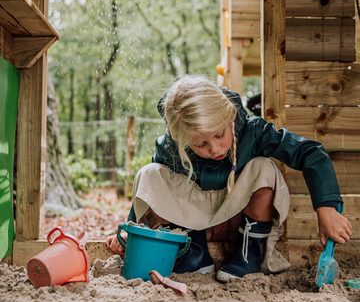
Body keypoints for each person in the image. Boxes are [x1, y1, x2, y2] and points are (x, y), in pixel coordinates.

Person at [106, 74, 352, 282]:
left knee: (264, 167)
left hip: (235, 210)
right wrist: (133, 228)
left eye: (219, 135)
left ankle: (249, 255)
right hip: (193, 216)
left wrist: (326, 208)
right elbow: (154, 191)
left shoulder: (252, 131)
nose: (214, 148)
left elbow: (311, 152)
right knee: (150, 174)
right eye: (201, 143)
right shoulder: (170, 147)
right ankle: (193, 252)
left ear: (229, 117)